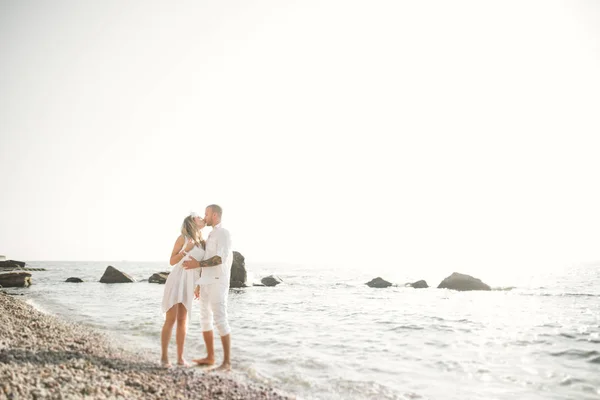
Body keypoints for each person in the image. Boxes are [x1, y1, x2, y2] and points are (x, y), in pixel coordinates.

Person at [183, 204, 233, 371]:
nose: (204, 217)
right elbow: (207, 256)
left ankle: (226, 362)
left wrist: (197, 263)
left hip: (218, 281)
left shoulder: (224, 233)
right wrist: (199, 283)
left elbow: (220, 258)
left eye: (207, 214)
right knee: (205, 319)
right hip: (205, 282)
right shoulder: (210, 234)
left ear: (215, 215)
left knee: (220, 319)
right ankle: (210, 357)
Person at [160, 212, 206, 367]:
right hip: (177, 280)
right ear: (193, 221)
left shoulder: (203, 243)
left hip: (190, 283)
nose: (202, 218)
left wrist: (199, 285)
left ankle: (180, 359)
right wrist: (186, 250)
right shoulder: (182, 238)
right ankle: (165, 358)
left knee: (182, 320)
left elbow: (202, 266)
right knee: (171, 319)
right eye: (199, 217)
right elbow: (172, 261)